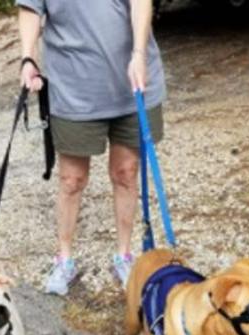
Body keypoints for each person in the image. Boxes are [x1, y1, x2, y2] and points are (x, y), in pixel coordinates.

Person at [17, 0, 166, 296]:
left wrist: (138, 54)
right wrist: (28, 58)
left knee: (126, 172)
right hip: (74, 89)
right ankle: (64, 258)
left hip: (131, 81)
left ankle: (124, 255)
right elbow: (31, 9)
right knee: (71, 180)